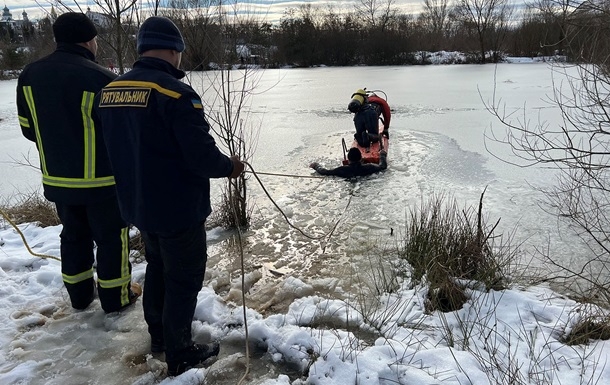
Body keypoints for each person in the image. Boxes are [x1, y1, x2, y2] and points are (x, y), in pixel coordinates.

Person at [94, 16, 245, 376]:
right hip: (177, 208)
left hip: (138, 205)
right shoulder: (176, 93)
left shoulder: (110, 91)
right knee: (184, 278)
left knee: (159, 270)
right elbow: (200, 157)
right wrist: (231, 167)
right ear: (175, 50)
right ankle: (180, 352)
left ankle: (160, 336)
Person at [16, 12, 140, 313]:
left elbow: (28, 129)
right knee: (112, 239)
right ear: (88, 40)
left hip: (57, 180)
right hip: (101, 182)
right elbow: (123, 136)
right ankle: (116, 298)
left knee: (73, 237)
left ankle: (80, 297)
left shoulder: (30, 75)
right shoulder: (102, 79)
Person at [310, 148, 387, 178]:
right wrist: (382, 155)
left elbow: (324, 172)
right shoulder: (369, 167)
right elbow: (383, 166)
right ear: (361, 158)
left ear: (348, 159)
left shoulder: (342, 169)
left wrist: (316, 166)